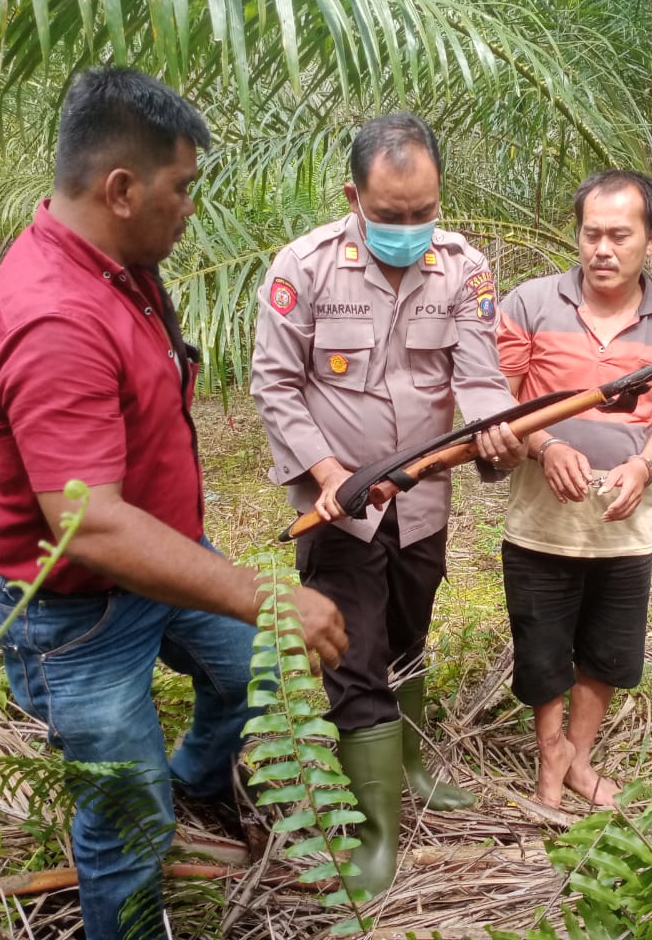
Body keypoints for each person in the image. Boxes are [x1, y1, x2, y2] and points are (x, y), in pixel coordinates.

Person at [0, 68, 347, 940]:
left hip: (161, 558)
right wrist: (267, 596)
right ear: (121, 189)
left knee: (254, 673)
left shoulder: (119, 265)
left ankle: (196, 780)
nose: (190, 207)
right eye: (181, 187)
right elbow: (90, 525)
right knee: (128, 821)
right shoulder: (56, 319)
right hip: (77, 615)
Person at [250, 112, 525, 894]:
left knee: (408, 630)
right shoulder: (304, 268)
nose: (409, 228)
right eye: (390, 214)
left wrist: (493, 427)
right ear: (354, 197)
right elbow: (275, 383)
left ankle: (408, 766)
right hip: (339, 506)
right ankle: (374, 835)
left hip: (423, 497)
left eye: (423, 211)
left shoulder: (464, 268)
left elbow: (479, 375)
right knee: (355, 651)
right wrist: (328, 472)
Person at [496, 170, 652, 809]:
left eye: (620, 235)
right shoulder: (529, 304)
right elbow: (499, 403)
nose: (602, 250)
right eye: (591, 235)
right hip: (540, 522)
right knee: (542, 648)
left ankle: (577, 758)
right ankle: (550, 757)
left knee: (608, 651)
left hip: (624, 524)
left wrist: (642, 467)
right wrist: (546, 445)